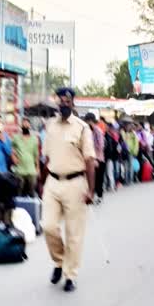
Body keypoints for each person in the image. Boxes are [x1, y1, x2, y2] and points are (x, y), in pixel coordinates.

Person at [42, 87, 96, 293]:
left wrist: (91, 190)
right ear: (57, 102)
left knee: (74, 233)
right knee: (48, 226)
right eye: (60, 100)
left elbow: (90, 160)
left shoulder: (82, 128)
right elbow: (46, 157)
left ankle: (70, 275)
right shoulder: (50, 126)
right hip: (53, 182)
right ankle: (59, 261)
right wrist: (41, 183)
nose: (63, 103)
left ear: (73, 103)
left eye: (67, 100)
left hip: (76, 183)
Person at [12, 117, 40, 197]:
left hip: (31, 171)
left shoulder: (34, 139)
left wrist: (38, 168)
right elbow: (13, 150)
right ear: (21, 126)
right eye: (24, 124)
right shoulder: (16, 138)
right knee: (18, 192)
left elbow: (36, 154)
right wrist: (13, 157)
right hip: (19, 170)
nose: (25, 126)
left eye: (27, 124)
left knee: (31, 192)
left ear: (30, 126)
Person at [84, 113, 106, 203]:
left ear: (90, 121)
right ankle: (92, 196)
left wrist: (92, 147)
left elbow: (101, 146)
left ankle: (99, 196)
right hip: (90, 158)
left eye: (87, 121)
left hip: (98, 158)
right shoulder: (88, 131)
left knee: (99, 179)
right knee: (91, 179)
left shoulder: (98, 131)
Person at [104, 122, 120, 190]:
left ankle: (113, 186)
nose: (107, 128)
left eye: (108, 127)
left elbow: (117, 146)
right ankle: (109, 186)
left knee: (111, 172)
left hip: (112, 157)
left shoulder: (113, 136)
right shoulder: (106, 135)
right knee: (108, 172)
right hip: (109, 156)